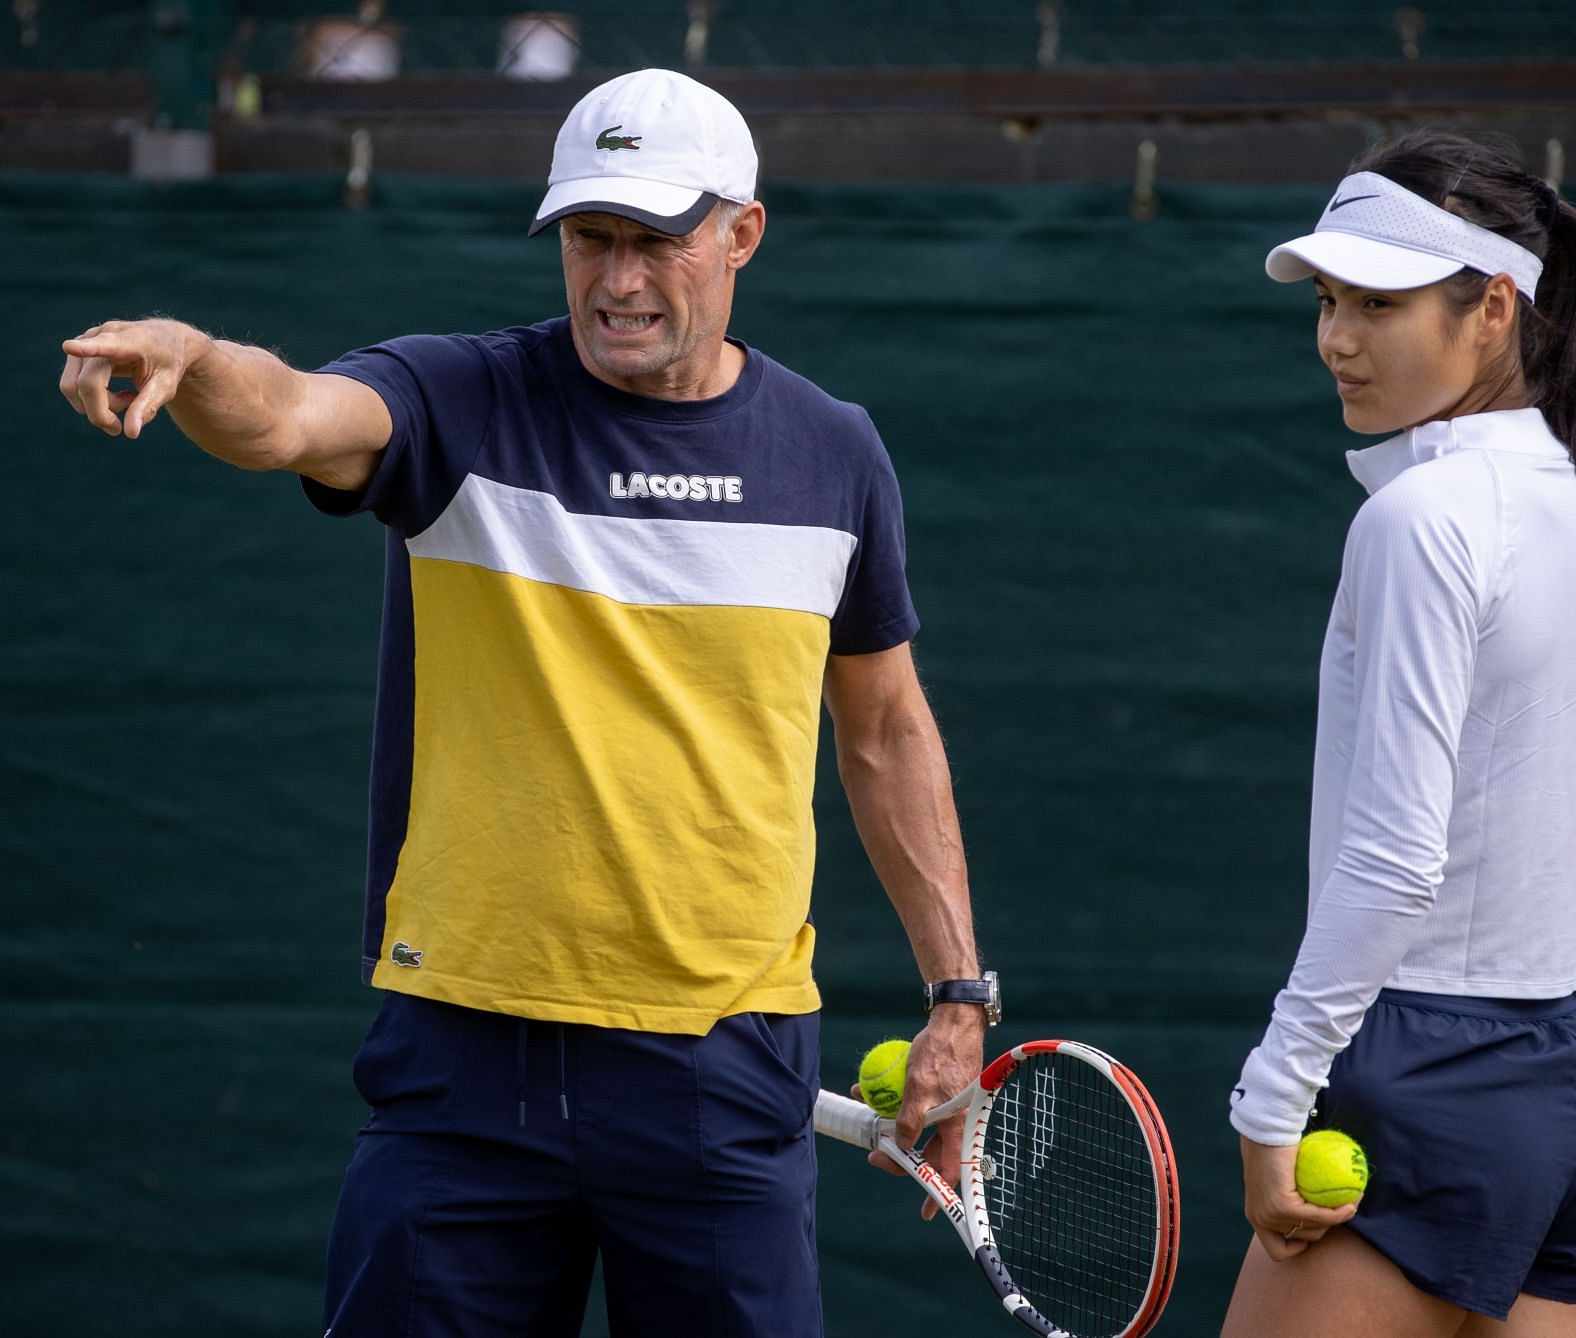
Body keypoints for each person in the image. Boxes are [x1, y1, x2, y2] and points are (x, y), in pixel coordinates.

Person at [57, 68, 993, 1338]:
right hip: (462, 1064)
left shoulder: (835, 454)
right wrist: (195, 355)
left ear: (741, 234)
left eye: (653, 241)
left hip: (725, 1068)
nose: (616, 280)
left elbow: (884, 731)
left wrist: (958, 997)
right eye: (590, 240)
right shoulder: (455, 400)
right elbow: (285, 417)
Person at [1221, 129, 1576, 1338]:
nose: (1335, 338)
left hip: (1424, 1075)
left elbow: (1394, 858)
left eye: (1377, 304)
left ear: (1493, 307)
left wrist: (1275, 1097)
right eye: (1328, 301)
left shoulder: (1423, 519)